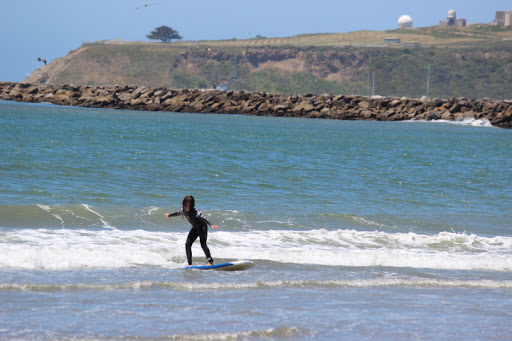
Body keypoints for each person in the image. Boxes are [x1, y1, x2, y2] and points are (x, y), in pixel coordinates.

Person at [165, 195, 218, 265]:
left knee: (203, 244)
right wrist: (169, 215)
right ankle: (189, 263)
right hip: (195, 228)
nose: (187, 208)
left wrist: (211, 224)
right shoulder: (183, 210)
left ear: (192, 205)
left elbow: (204, 218)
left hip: (202, 228)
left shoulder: (195, 212)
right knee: (187, 244)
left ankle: (210, 262)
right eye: (186, 205)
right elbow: (177, 213)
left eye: (189, 206)